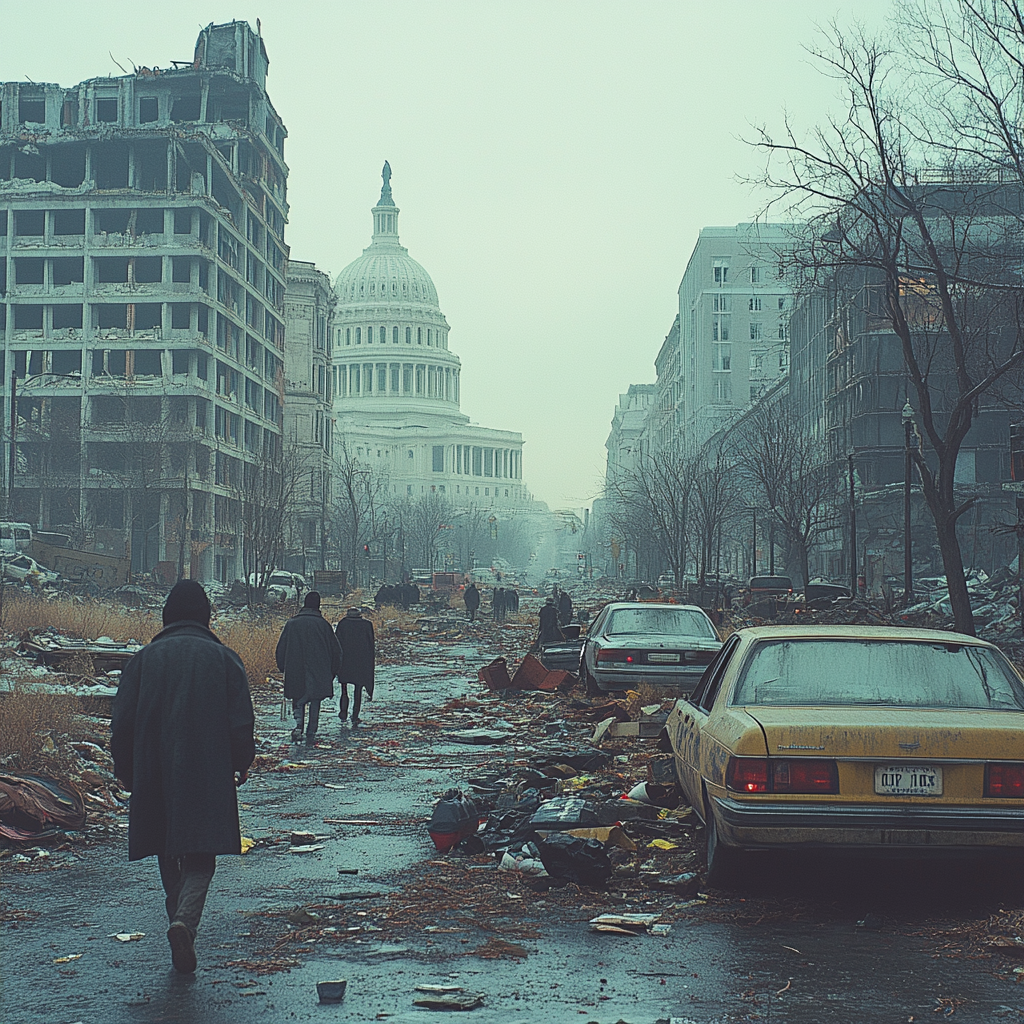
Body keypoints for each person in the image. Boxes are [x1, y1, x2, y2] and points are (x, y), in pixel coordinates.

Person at [111, 580, 254, 975]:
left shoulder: (142, 660)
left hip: (152, 770)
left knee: (164, 844)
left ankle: (179, 919)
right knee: (201, 856)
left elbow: (121, 724)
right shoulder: (225, 659)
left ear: (167, 616)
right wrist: (242, 760)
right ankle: (184, 923)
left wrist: (125, 770)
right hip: (207, 771)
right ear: (206, 617)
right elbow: (241, 721)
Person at [275, 591, 343, 746]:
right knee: (315, 700)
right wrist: (333, 671)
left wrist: (282, 667)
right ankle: (311, 731)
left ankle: (298, 726)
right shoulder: (323, 625)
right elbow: (336, 651)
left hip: (295, 668)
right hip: (319, 670)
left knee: (297, 698)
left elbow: (281, 647)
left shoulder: (292, 623)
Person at [336, 606, 375, 726]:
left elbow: (336, 643)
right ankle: (355, 715)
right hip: (361, 661)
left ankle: (343, 712)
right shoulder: (367, 625)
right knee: (358, 689)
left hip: (345, 661)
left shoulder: (342, 624)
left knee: (344, 689)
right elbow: (371, 645)